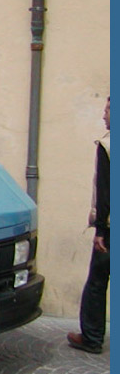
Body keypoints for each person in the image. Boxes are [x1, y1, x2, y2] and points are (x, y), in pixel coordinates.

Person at [68, 96, 110, 354]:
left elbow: (105, 192)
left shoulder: (107, 146)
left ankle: (92, 337)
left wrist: (101, 231)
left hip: (111, 229)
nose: (104, 115)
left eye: (107, 110)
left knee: (97, 282)